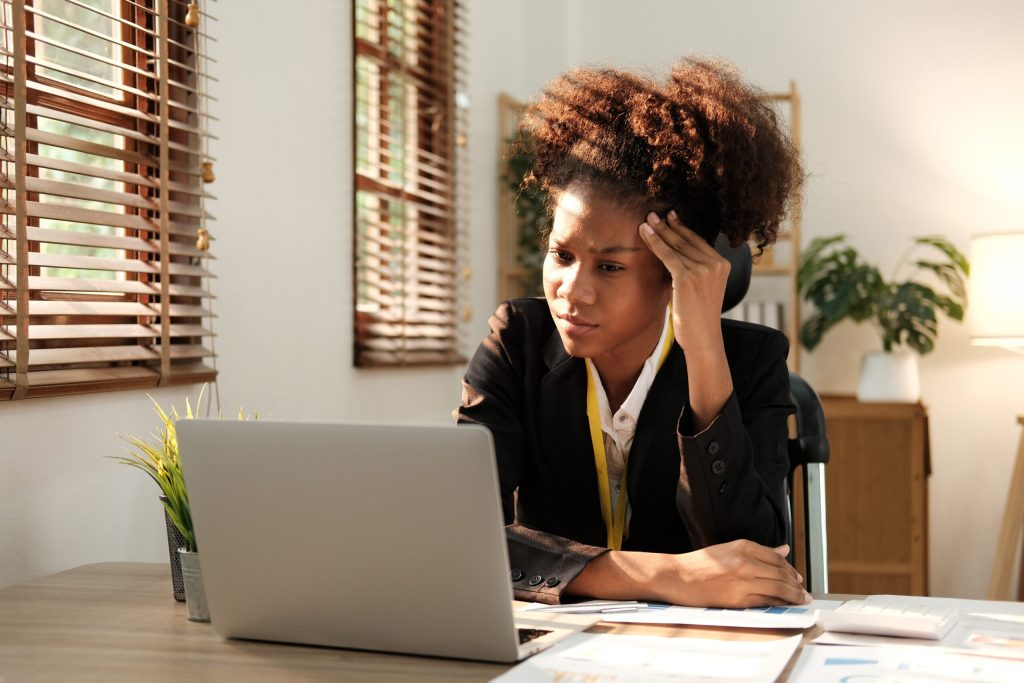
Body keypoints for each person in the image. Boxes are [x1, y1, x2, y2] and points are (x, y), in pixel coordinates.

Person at [456, 57, 807, 608]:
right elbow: (463, 536)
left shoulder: (751, 359)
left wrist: (705, 352)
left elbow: (755, 561)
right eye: (561, 254)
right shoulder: (516, 343)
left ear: (675, 273)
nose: (573, 289)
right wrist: (659, 575)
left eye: (610, 266)